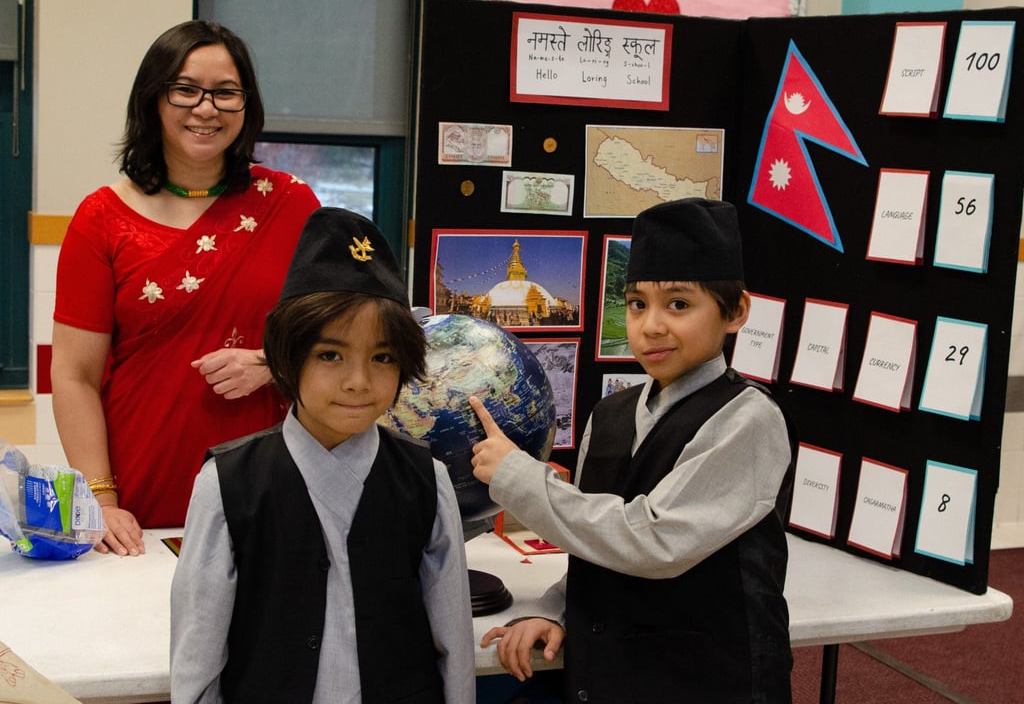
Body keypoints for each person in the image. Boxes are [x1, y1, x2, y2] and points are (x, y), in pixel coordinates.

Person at [470, 197, 796, 703]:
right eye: (637, 303)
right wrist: (554, 607)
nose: (651, 326)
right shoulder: (612, 414)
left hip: (707, 682)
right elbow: (598, 544)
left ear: (736, 312)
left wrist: (517, 477)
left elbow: (653, 540)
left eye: (679, 304)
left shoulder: (748, 418)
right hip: (609, 678)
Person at [170, 207, 475, 704]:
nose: (358, 381)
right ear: (287, 358)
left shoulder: (427, 479)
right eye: (330, 355)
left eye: (382, 358)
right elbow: (198, 650)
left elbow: (452, 640)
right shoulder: (228, 482)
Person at [50, 20, 320, 556]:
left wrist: (272, 364)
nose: (206, 108)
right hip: (138, 501)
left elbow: (343, 337)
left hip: (269, 490)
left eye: (226, 92)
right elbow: (73, 374)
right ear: (154, 98)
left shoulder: (290, 204)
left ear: (247, 105)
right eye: (186, 90)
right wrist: (101, 501)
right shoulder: (102, 218)